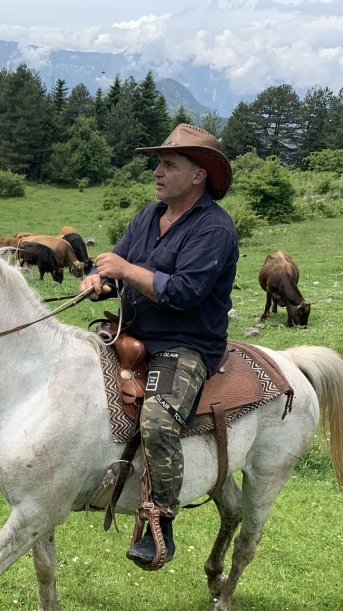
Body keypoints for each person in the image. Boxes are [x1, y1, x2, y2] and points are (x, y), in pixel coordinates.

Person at [79, 123, 239, 568]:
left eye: (169, 164)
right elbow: (116, 267)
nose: (157, 171)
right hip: (131, 331)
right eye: (158, 162)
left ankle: (159, 521)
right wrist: (101, 280)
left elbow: (185, 292)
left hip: (184, 345)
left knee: (158, 420)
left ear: (198, 175)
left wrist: (125, 270)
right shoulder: (148, 217)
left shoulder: (215, 229)